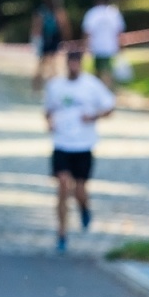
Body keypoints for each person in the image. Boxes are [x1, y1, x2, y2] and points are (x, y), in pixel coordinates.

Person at [44, 47, 116, 252]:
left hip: (83, 144)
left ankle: (84, 208)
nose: (73, 66)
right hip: (61, 143)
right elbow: (47, 110)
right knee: (62, 186)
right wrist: (49, 122)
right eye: (70, 62)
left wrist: (94, 116)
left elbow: (110, 106)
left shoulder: (91, 85)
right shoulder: (55, 86)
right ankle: (61, 233)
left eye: (77, 62)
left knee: (79, 190)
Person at [81, 0, 126, 85]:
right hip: (111, 47)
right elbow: (119, 31)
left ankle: (104, 88)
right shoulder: (113, 13)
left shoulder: (92, 13)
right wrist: (121, 45)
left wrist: (86, 46)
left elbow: (87, 32)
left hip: (97, 47)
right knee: (108, 70)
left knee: (99, 71)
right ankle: (107, 87)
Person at [31, 0, 67, 89]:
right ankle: (51, 85)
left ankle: (37, 86)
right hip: (53, 40)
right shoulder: (57, 13)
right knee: (52, 64)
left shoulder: (42, 13)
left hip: (45, 40)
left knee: (42, 63)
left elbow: (37, 28)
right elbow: (63, 27)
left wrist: (35, 41)